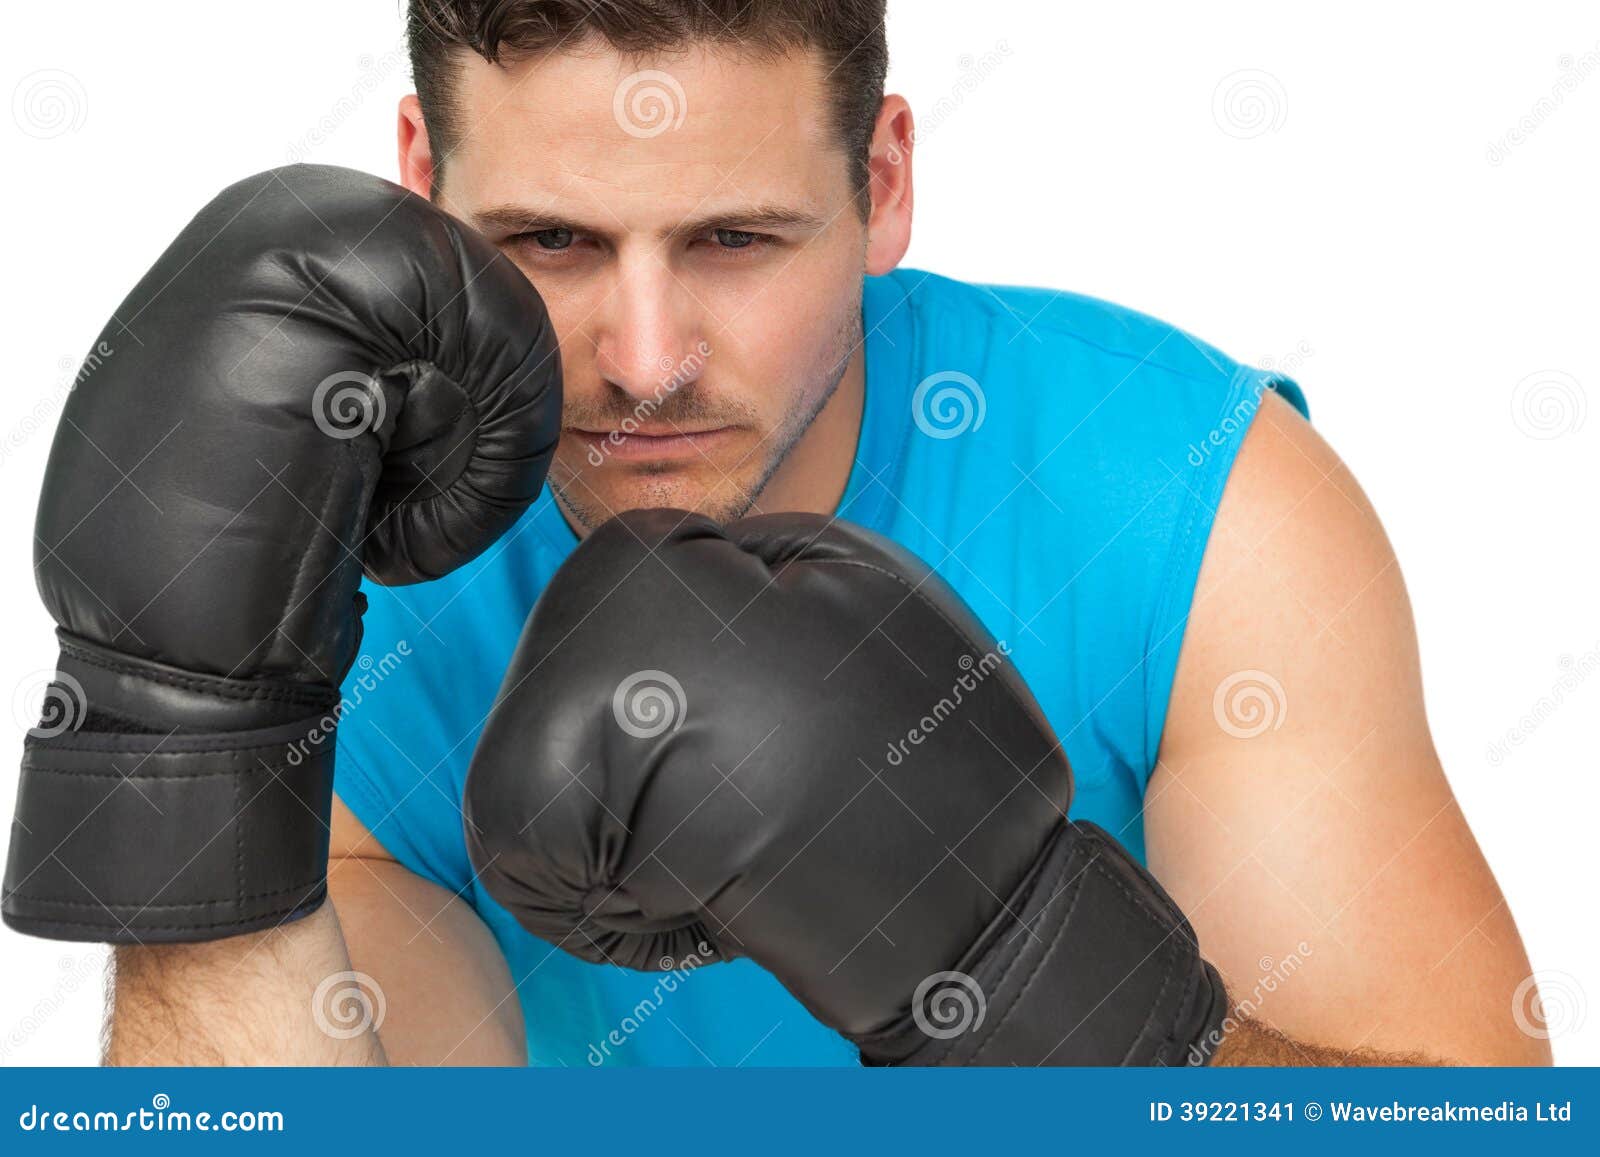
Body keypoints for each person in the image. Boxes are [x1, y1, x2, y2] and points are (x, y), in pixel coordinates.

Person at [45, 1, 1548, 1066]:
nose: (642, 357)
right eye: (552, 242)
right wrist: (187, 723)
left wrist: (1029, 973)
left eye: (734, 242)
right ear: (423, 192)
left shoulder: (1191, 506)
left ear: (882, 184)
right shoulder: (366, 574)